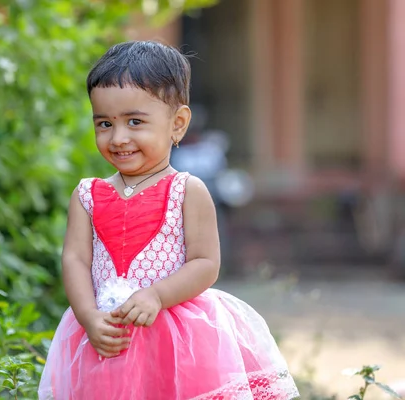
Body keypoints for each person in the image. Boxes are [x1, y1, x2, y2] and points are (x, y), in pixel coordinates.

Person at [38, 41, 299, 400]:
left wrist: (157, 296)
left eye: (134, 122)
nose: (119, 138)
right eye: (104, 123)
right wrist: (87, 315)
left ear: (177, 124)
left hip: (177, 338)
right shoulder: (87, 195)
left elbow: (206, 264)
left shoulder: (187, 191)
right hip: (108, 337)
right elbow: (76, 259)